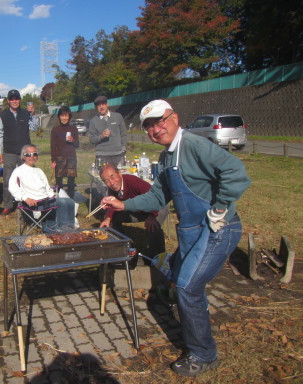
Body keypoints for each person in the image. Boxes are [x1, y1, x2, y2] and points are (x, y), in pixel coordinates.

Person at [100, 99, 250, 377]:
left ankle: (204, 354)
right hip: (192, 231)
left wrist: (221, 207)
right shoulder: (167, 157)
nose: (156, 130)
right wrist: (123, 206)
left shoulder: (193, 144)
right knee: (179, 275)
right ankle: (188, 317)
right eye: (149, 127)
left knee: (187, 288)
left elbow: (235, 172)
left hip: (218, 229)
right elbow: (158, 196)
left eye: (160, 122)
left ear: (174, 118)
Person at [98, 163, 167, 258]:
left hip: (157, 207)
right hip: (137, 209)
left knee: (152, 225)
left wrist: (152, 215)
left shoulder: (132, 181)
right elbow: (112, 202)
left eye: (112, 177)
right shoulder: (112, 188)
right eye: (107, 181)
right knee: (114, 218)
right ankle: (124, 248)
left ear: (120, 173)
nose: (112, 183)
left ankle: (157, 258)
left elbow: (154, 198)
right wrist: (108, 218)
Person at [8, 144, 75, 232]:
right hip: (35, 203)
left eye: (34, 154)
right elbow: (12, 187)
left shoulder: (39, 171)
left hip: (46, 200)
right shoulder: (19, 170)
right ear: (23, 156)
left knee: (70, 202)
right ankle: (58, 229)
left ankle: (68, 228)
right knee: (62, 203)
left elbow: (47, 188)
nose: (32, 157)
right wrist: (25, 198)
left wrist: (53, 196)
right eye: (28, 154)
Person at [0, 90, 40, 216]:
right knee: (8, 179)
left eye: (17, 98)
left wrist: (33, 115)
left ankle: (26, 204)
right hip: (9, 152)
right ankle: (8, 205)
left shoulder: (26, 113)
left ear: (20, 100)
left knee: (26, 179)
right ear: (8, 101)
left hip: (24, 152)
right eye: (12, 99)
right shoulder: (3, 115)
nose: (14, 101)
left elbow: (35, 128)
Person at [88, 95, 127, 167]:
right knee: (103, 177)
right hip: (102, 156)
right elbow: (91, 140)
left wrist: (123, 148)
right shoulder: (93, 121)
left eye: (103, 104)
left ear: (107, 104)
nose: (101, 107)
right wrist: (101, 136)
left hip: (118, 154)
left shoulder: (118, 116)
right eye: (99, 105)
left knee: (120, 177)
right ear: (96, 107)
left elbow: (123, 134)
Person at [50, 106, 79, 198]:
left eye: (66, 116)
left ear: (69, 117)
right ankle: (59, 200)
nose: (64, 118)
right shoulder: (55, 130)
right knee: (59, 182)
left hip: (71, 158)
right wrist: (53, 160)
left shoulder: (74, 129)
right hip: (59, 158)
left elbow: (77, 145)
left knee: (71, 182)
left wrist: (73, 140)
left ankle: (71, 200)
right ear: (59, 117)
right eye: (62, 116)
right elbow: (53, 146)